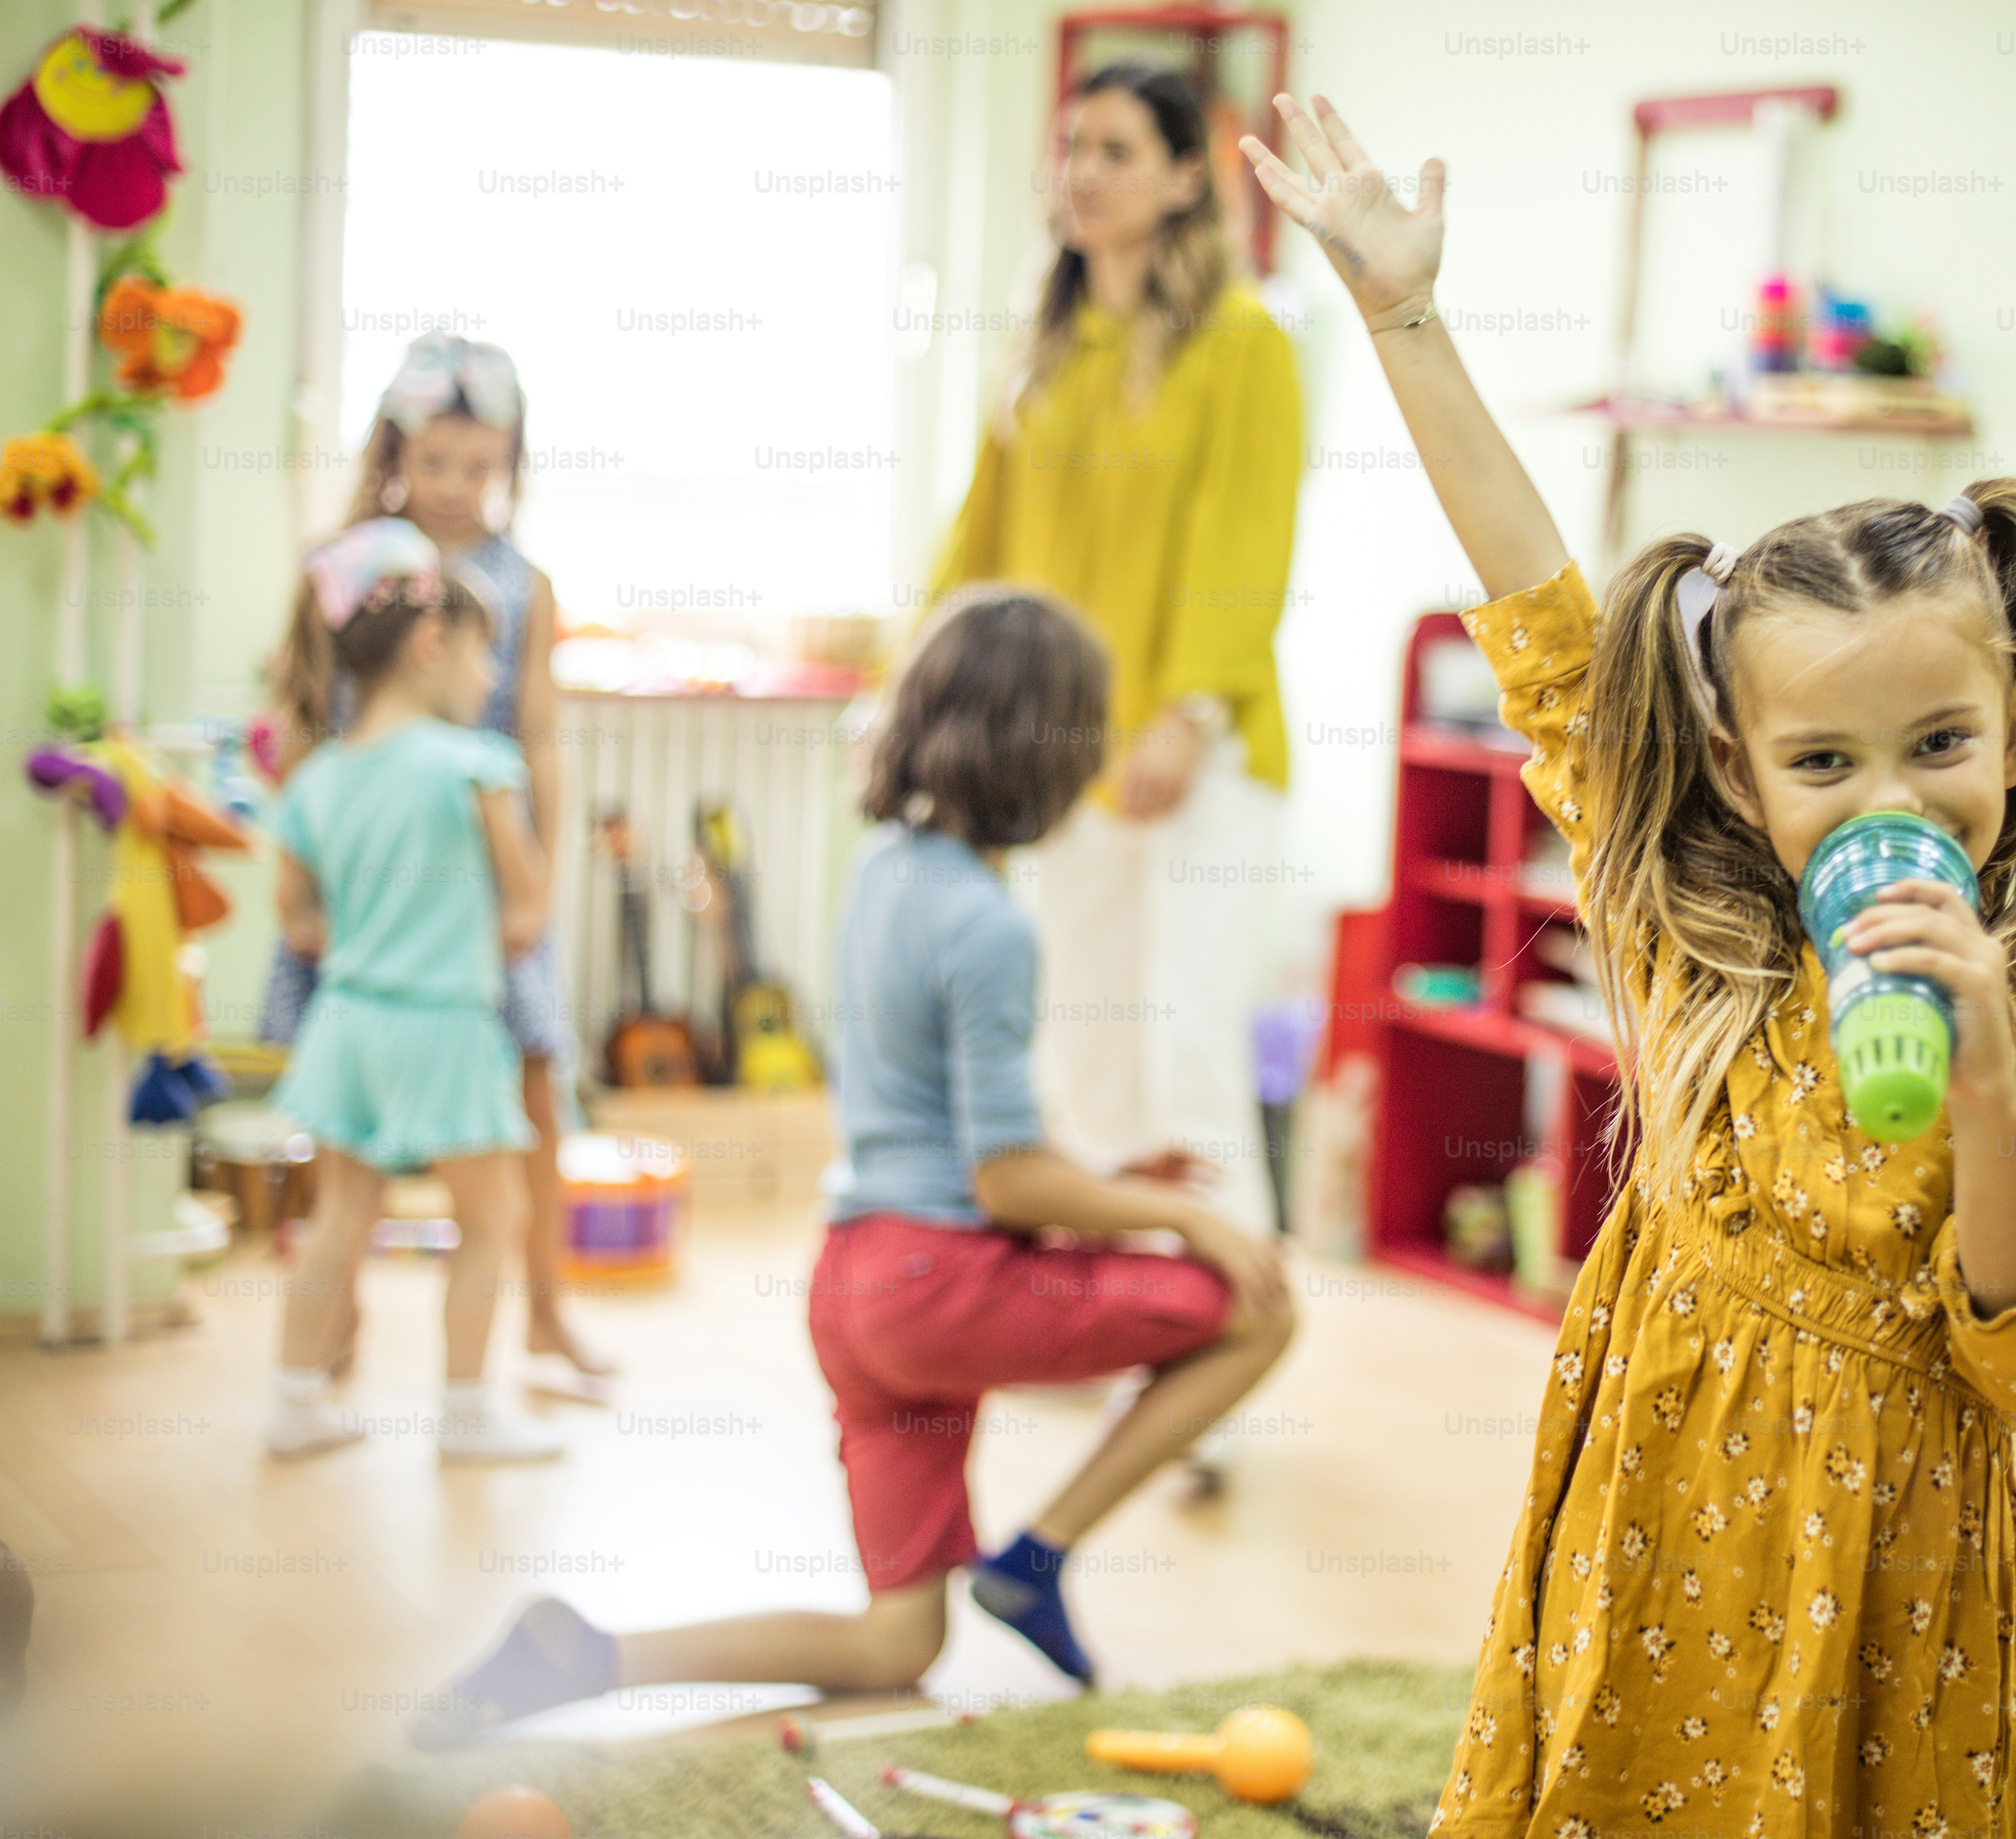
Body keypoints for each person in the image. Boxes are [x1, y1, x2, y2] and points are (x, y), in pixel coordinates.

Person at [1243, 96, 2016, 1837]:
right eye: (1823, 763)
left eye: (1935, 741)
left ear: (2015, 721)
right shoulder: (1687, 942)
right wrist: (1402, 315)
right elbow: (1538, 608)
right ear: (1735, 771)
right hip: (1655, 1504)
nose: (1890, 799)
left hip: (1882, 1567)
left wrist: (1984, 1060)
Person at [406, 589, 1296, 1745]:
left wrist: (1116, 1178)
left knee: (897, 1646)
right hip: (943, 1288)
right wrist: (1190, 1222)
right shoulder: (992, 924)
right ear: (1050, 751)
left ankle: (587, 1655)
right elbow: (1002, 1183)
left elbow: (948, 1131)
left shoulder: (885, 867)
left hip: (854, 1289)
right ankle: (1036, 1556)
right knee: (1260, 1311)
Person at [929, 60, 1305, 1252]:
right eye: (1073, 148)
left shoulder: (1243, 341)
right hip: (1071, 758)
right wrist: (914, 695)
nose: (1081, 174)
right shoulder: (1045, 347)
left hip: (1204, 753)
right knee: (1081, 1042)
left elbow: (1246, 540)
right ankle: (1105, 1308)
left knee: (1184, 1042)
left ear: (1188, 178)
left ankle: (1226, 1327)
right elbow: (975, 549)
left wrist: (1186, 713)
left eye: (1117, 152)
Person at [260, 333, 611, 1403]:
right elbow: (301, 715)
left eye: (482, 467)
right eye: (437, 463)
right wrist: (303, 883)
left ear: (509, 463)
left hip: (485, 880)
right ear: (396, 449)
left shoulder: (524, 583)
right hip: (370, 887)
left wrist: (537, 877)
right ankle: (340, 1319)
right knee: (343, 1114)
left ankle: (545, 1310)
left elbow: (540, 736)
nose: (457, 488)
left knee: (533, 1092)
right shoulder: (352, 564)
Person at [260, 520, 563, 1463]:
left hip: (348, 1023)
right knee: (490, 1219)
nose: (488, 682)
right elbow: (526, 913)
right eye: (484, 660)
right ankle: (468, 1416)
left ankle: (294, 1400)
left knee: (342, 1219)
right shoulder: (476, 767)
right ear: (432, 645)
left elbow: (297, 920)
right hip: (444, 1026)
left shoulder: (319, 780)